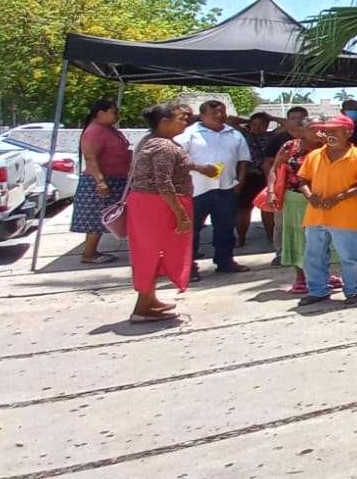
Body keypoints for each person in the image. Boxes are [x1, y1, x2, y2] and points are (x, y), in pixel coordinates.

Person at [123, 103, 219, 321]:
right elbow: (163, 183)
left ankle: (149, 300)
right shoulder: (163, 147)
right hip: (158, 205)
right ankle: (142, 308)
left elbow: (173, 167)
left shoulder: (153, 141)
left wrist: (197, 168)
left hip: (148, 203)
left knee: (150, 253)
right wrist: (181, 214)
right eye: (180, 118)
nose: (185, 122)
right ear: (164, 121)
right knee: (154, 254)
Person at [296, 115, 357, 306]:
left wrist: (339, 197)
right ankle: (318, 290)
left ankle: (353, 291)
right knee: (313, 256)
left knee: (349, 257)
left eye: (335, 130)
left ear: (348, 132)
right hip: (316, 215)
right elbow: (303, 181)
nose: (329, 133)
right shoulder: (315, 155)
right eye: (327, 130)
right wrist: (309, 195)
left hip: (344, 216)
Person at [178, 100, 251, 281]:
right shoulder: (189, 134)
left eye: (222, 112)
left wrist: (240, 181)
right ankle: (189, 267)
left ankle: (225, 261)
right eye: (214, 113)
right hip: (197, 190)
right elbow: (177, 159)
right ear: (202, 116)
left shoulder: (234, 134)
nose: (219, 116)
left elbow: (244, 159)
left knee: (225, 228)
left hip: (226, 188)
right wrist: (199, 168)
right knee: (192, 230)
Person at [269, 117, 341, 294]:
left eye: (321, 128)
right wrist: (271, 191)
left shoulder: (329, 146)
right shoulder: (290, 147)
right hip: (295, 198)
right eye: (313, 128)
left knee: (324, 237)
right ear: (303, 129)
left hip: (323, 199)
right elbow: (275, 169)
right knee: (298, 237)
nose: (318, 131)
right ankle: (300, 278)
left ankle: (323, 273)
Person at [74, 98, 132, 265]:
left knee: (107, 216)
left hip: (116, 178)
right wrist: (100, 181)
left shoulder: (106, 129)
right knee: (97, 218)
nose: (117, 116)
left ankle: (92, 251)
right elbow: (91, 157)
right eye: (114, 112)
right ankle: (89, 253)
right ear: (101, 113)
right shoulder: (95, 130)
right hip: (102, 180)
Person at [260, 107, 308, 262]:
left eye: (301, 118)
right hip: (287, 190)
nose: (297, 121)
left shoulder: (320, 143)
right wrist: (272, 188)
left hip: (312, 194)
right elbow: (270, 164)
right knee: (281, 224)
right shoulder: (284, 142)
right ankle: (281, 253)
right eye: (293, 118)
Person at [230, 111, 281, 249]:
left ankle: (271, 235)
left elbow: (287, 124)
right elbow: (229, 120)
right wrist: (246, 119)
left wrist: (272, 117)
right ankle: (241, 237)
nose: (258, 127)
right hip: (248, 175)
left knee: (268, 208)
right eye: (254, 124)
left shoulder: (272, 136)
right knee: (243, 209)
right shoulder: (244, 135)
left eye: (262, 124)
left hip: (266, 175)